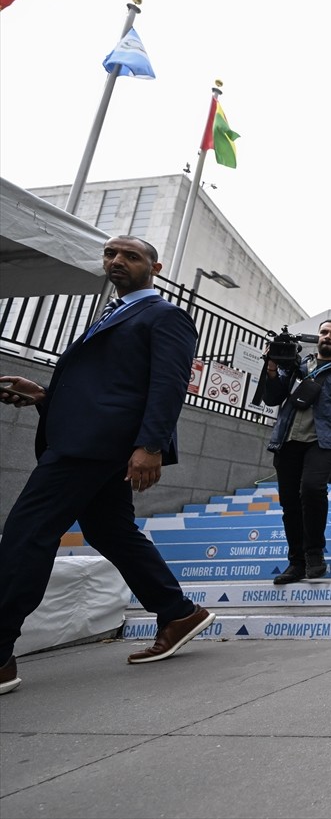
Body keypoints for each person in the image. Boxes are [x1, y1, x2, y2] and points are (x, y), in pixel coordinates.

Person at [0, 235, 215, 694]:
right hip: (86, 439)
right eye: (111, 254)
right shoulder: (111, 314)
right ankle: (178, 613)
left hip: (97, 448)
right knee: (109, 531)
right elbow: (106, 386)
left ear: (154, 269)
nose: (117, 260)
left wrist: (151, 447)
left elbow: (169, 384)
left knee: (26, 534)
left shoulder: (165, 315)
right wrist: (43, 395)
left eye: (131, 256)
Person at [260, 319, 331, 585]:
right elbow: (272, 397)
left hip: (325, 441)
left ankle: (314, 553)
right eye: (324, 332)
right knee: (289, 501)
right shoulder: (297, 365)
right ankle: (296, 562)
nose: (328, 337)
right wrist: (272, 365)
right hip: (288, 440)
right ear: (317, 337)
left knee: (311, 489)